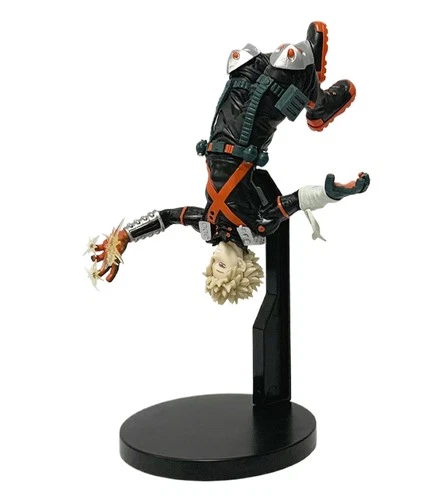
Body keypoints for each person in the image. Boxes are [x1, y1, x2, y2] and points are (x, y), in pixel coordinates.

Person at [87, 21, 370, 304]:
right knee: (290, 61)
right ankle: (318, 103)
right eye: (221, 267)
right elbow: (297, 200)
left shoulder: (207, 225)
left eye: (211, 266)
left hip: (220, 133)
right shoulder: (258, 225)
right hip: (251, 135)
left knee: (243, 63)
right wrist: (332, 193)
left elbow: (168, 217)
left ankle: (308, 84)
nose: (214, 260)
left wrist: (126, 235)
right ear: (242, 268)